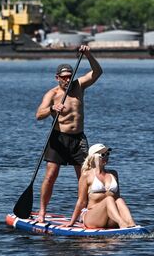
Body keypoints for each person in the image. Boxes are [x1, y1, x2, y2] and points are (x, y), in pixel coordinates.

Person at [35, 45, 103, 223]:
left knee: (85, 177)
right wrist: (51, 108)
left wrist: (88, 54)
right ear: (57, 78)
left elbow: (97, 72)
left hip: (78, 139)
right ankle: (42, 211)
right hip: (58, 138)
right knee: (50, 176)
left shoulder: (79, 86)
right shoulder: (52, 94)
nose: (67, 80)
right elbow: (38, 115)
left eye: (69, 77)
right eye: (63, 77)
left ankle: (85, 212)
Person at [67, 143, 136, 229]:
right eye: (102, 155)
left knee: (119, 200)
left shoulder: (113, 174)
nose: (106, 157)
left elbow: (117, 197)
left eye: (107, 154)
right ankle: (122, 223)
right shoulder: (86, 175)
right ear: (93, 157)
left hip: (111, 218)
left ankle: (132, 224)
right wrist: (72, 222)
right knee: (109, 199)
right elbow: (81, 202)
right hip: (92, 217)